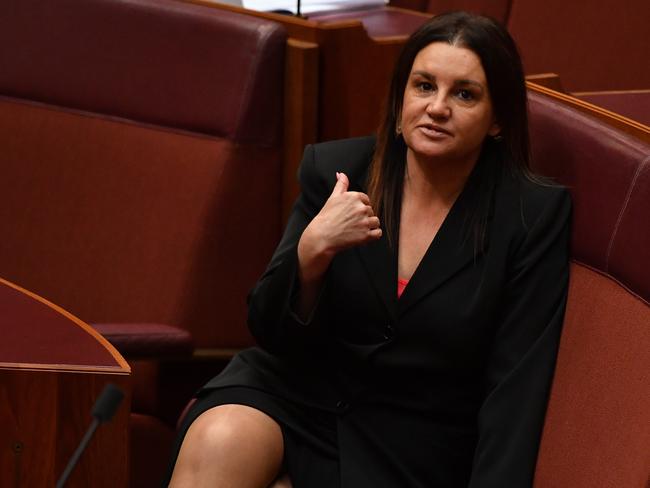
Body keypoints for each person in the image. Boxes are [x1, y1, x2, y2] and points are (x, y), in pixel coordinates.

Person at [166, 11, 571, 488]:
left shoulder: (529, 216)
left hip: (413, 440)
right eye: (423, 86)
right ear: (400, 100)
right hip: (301, 394)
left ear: (498, 119)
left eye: (464, 94)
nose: (437, 107)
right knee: (220, 437)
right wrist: (310, 255)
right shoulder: (338, 170)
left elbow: (516, 389)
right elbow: (268, 330)